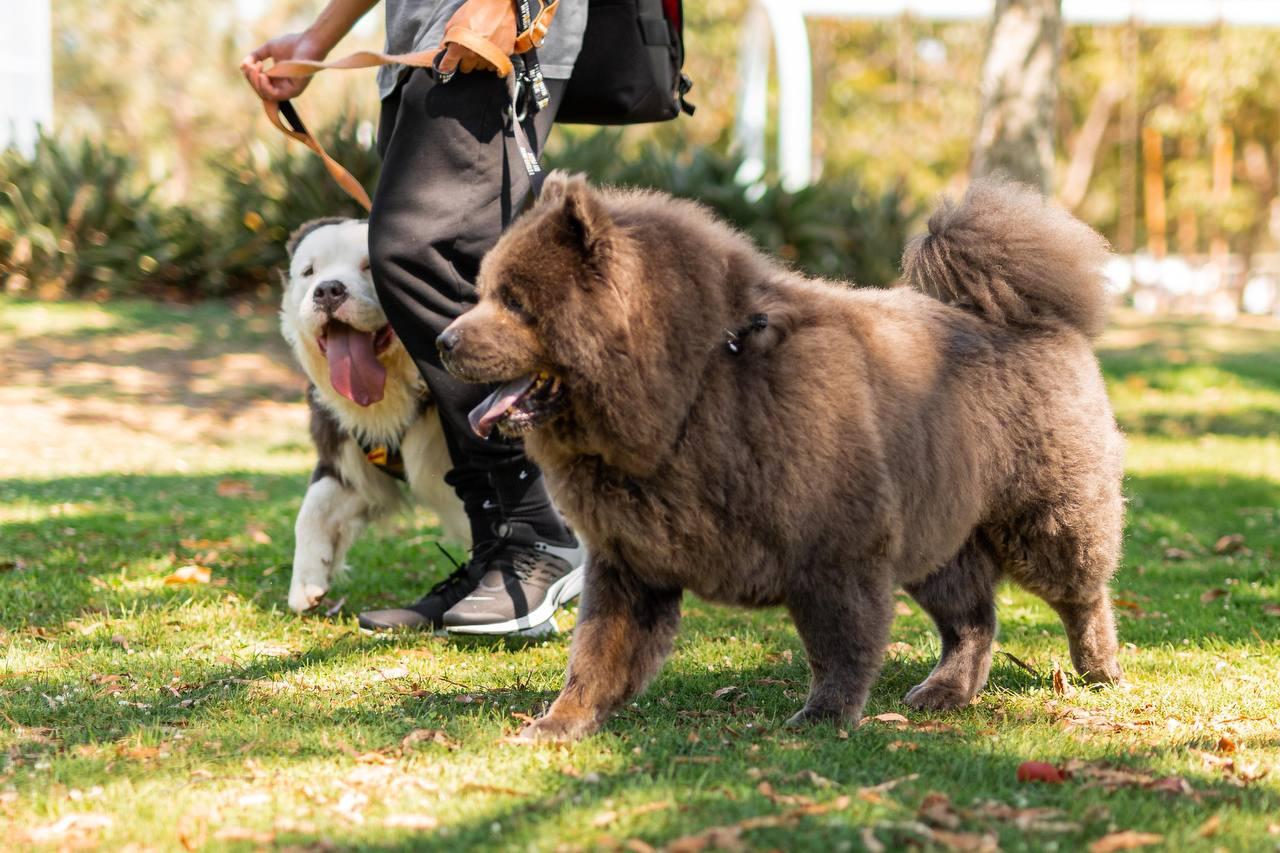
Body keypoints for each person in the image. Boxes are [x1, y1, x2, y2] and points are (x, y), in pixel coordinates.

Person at [241, 0, 587, 634]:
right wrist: (318, 38)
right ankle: (498, 551)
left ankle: (538, 535)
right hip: (420, 45)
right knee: (447, 266)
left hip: (484, 31)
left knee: (413, 254)